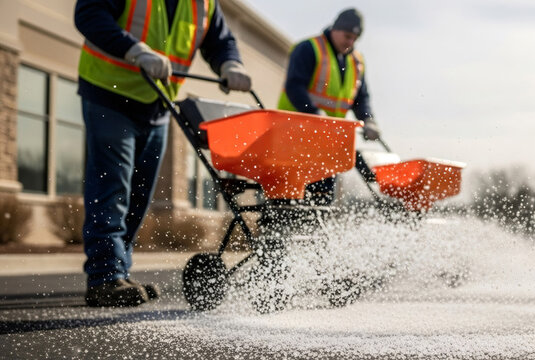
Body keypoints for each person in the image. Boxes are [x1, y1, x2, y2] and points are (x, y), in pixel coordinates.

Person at [74, 0, 251, 307]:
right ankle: (104, 277)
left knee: (140, 194)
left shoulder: (204, 3)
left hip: (156, 103)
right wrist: (135, 49)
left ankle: (119, 270)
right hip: (109, 92)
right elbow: (89, 13)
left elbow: (220, 41)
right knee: (113, 185)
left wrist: (229, 63)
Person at [277, 8, 380, 204]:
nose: (350, 42)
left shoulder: (356, 61)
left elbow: (361, 97)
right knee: (290, 197)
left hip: (327, 141)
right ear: (335, 29)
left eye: (354, 38)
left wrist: (368, 119)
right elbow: (294, 86)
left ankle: (316, 232)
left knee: (322, 197)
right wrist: (314, 113)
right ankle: (278, 232)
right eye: (347, 36)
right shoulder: (309, 49)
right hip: (294, 134)